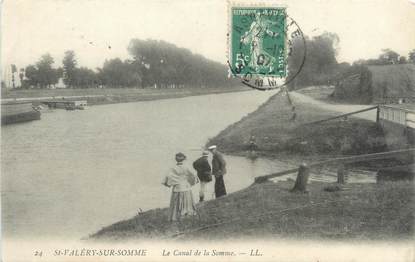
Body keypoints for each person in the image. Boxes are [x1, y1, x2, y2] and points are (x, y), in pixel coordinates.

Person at [162, 152, 198, 222]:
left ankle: (176, 217)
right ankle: (187, 214)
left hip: (177, 188)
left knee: (176, 203)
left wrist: (169, 183)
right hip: (186, 187)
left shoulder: (173, 168)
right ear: (183, 159)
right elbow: (193, 175)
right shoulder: (187, 167)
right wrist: (191, 182)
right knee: (187, 201)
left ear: (176, 159)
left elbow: (167, 177)